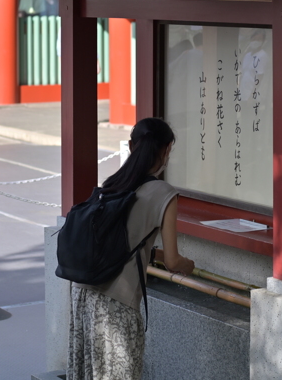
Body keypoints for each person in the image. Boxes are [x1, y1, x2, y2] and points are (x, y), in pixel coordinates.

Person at [68, 117, 195, 380]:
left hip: (83, 295)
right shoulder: (164, 193)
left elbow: (124, 239)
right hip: (118, 303)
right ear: (167, 149)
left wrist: (154, 255)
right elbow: (173, 262)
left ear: (130, 145)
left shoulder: (114, 182)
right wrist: (188, 265)